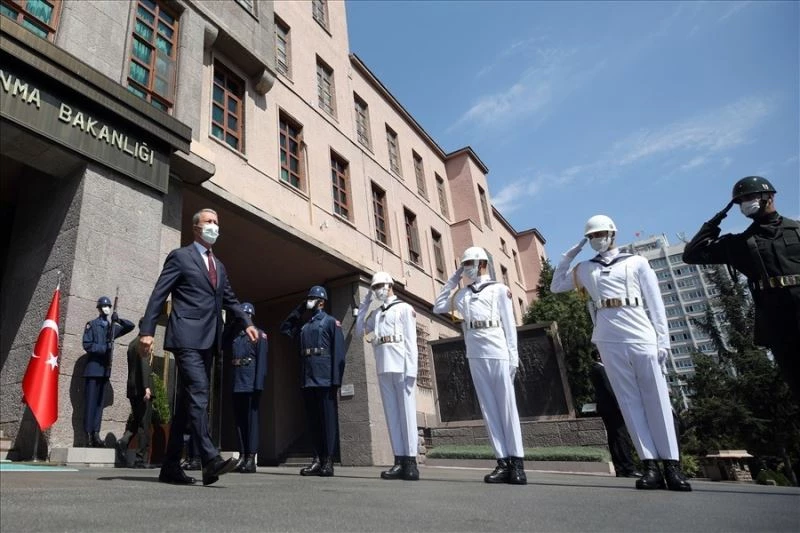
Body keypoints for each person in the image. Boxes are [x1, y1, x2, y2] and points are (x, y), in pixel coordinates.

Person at [550, 215, 692, 491]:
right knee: (628, 401)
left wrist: (663, 340)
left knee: (657, 398)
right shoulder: (585, 268)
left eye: (601, 233)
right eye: (592, 236)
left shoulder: (636, 262)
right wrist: (568, 256)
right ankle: (649, 464)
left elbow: (655, 302)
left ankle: (672, 465)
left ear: (613, 233)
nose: (597, 239)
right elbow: (556, 286)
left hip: (639, 328)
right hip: (607, 335)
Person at [139, 208, 258, 486]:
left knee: (185, 404)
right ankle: (209, 457)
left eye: (217, 222)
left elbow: (230, 298)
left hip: (209, 340)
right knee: (199, 391)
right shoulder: (181, 257)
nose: (214, 226)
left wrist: (246, 322)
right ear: (196, 228)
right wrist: (147, 330)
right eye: (208, 222)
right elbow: (160, 292)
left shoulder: (220, 266)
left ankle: (170, 468)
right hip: (185, 337)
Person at [683, 176, 799, 401]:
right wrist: (718, 217)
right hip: (778, 321)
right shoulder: (740, 243)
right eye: (741, 200)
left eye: (751, 196)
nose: (747, 202)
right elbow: (692, 254)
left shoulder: (797, 231)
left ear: (770, 196)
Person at [432, 246, 527, 485]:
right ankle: (502, 461)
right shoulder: (462, 295)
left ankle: (517, 463)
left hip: (497, 349)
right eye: (464, 265)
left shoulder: (499, 289)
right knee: (488, 408)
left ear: (482, 263)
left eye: (469, 264)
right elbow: (438, 306)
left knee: (507, 407)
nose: (466, 269)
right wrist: (453, 279)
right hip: (475, 353)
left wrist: (513, 356)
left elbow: (509, 325)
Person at [355, 272, 420, 481]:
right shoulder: (376, 314)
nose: (378, 290)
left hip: (401, 365)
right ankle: (399, 459)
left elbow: (411, 342)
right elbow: (359, 330)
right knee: (392, 414)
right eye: (374, 288)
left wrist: (412, 370)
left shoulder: (404, 308)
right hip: (384, 366)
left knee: (407, 414)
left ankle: (411, 461)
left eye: (380, 286)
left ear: (390, 285)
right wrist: (365, 303)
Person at [280, 285, 346, 477]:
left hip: (325, 378)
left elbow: (339, 354)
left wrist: (336, 381)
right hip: (308, 378)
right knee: (313, 422)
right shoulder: (304, 326)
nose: (309, 301)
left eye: (312, 299)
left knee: (327, 421)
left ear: (321, 302)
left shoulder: (331, 322)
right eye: (308, 298)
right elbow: (285, 329)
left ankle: (328, 460)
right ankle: (317, 459)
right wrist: (300, 308)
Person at [82, 296, 134, 448]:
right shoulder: (91, 325)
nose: (107, 309)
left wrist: (119, 320)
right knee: (90, 404)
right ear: (99, 308)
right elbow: (87, 344)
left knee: (99, 404)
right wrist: (104, 348)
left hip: (105, 371)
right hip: (93, 370)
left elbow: (130, 326)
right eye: (104, 306)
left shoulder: (112, 328)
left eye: (109, 307)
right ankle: (88, 435)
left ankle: (96, 433)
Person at [224, 302, 268, 474]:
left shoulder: (259, 335)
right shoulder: (235, 336)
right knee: (239, 422)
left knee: (251, 422)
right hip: (237, 382)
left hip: (251, 384)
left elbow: (262, 363)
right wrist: (231, 325)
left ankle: (251, 457)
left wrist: (258, 385)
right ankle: (242, 455)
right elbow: (222, 342)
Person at [590, 357, 641, 478]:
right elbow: (610, 389)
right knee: (621, 437)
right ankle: (628, 468)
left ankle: (621, 468)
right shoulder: (601, 369)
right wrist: (621, 405)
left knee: (614, 438)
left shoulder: (596, 369)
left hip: (607, 408)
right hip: (613, 408)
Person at [116, 327, 153, 468]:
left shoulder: (132, 343)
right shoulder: (144, 343)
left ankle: (124, 441)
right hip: (142, 389)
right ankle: (140, 458)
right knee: (144, 423)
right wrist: (147, 387)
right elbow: (144, 365)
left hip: (132, 389)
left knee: (137, 419)